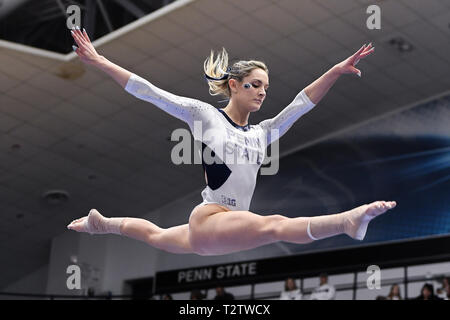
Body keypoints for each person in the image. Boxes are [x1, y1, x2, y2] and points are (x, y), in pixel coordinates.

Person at [66, 26, 397, 256]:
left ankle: (104, 224)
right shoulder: (205, 115)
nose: (263, 92)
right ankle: (346, 221)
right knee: (276, 225)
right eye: (255, 84)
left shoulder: (263, 133)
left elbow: (301, 104)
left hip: (227, 230)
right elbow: (150, 92)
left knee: (155, 235)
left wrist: (334, 71)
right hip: (211, 218)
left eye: (266, 87)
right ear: (234, 85)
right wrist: (100, 61)